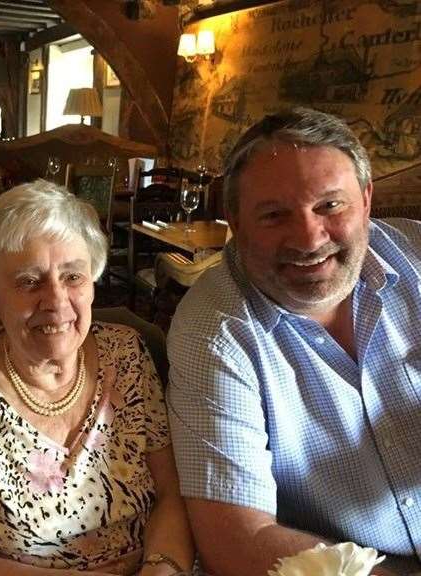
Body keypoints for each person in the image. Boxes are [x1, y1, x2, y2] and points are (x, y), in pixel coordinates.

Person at [167, 107, 421, 576]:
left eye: (330, 205)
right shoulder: (214, 329)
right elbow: (238, 539)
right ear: (235, 220)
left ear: (366, 200)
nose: (308, 238)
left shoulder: (416, 258)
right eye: (274, 214)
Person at [0, 180, 194, 576]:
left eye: (73, 277)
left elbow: (169, 495)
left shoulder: (128, 354)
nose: (57, 301)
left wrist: (163, 569)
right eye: (29, 281)